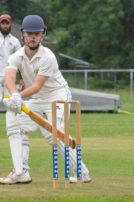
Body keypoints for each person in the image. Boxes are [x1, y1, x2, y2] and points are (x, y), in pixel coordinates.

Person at [1, 14, 91, 184]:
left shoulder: (48, 56)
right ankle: (21, 172)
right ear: (23, 35)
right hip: (37, 99)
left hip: (58, 97)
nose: (33, 37)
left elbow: (36, 86)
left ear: (42, 35)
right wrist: (14, 95)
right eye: (29, 33)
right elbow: (9, 78)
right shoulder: (17, 56)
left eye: (37, 34)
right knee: (13, 121)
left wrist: (18, 96)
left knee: (53, 136)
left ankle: (82, 173)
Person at [0, 14, 21, 97]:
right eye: (3, 23)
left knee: (10, 103)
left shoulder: (15, 41)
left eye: (7, 23)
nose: (5, 26)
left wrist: (22, 78)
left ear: (10, 24)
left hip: (9, 77)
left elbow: (20, 60)